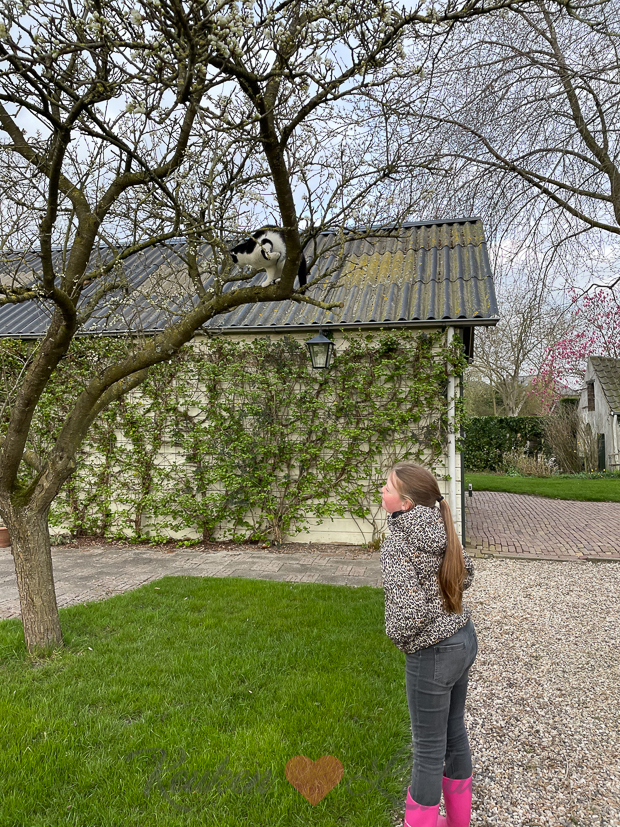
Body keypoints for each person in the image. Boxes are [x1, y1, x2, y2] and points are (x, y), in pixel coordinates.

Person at [380, 462, 478, 827]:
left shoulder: (398, 543)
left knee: (427, 750)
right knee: (454, 733)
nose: (382, 492)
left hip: (433, 654)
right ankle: (457, 823)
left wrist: (400, 639)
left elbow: (409, 615)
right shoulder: (442, 525)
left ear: (405, 503)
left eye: (388, 488)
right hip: (463, 639)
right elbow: (465, 575)